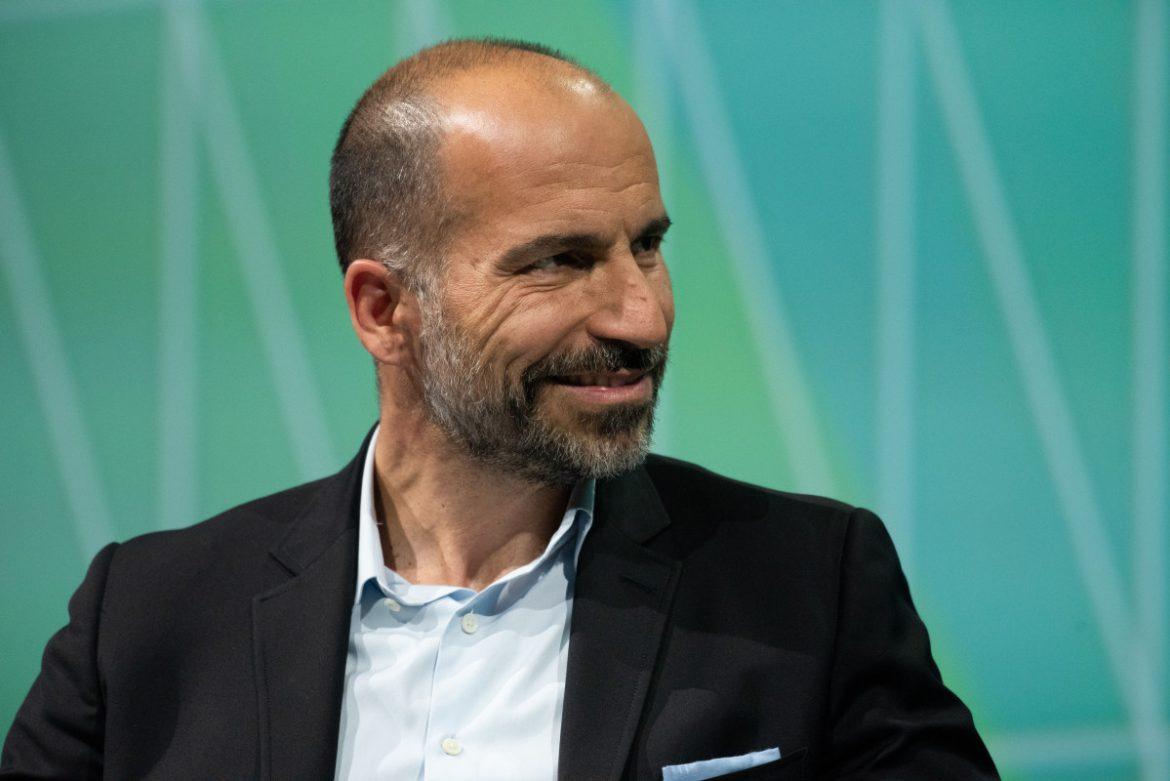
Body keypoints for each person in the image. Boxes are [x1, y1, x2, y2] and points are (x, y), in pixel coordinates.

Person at [1, 38, 998, 780]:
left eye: (647, 246)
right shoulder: (145, 622)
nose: (642, 315)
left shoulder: (811, 588)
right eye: (560, 261)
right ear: (384, 310)